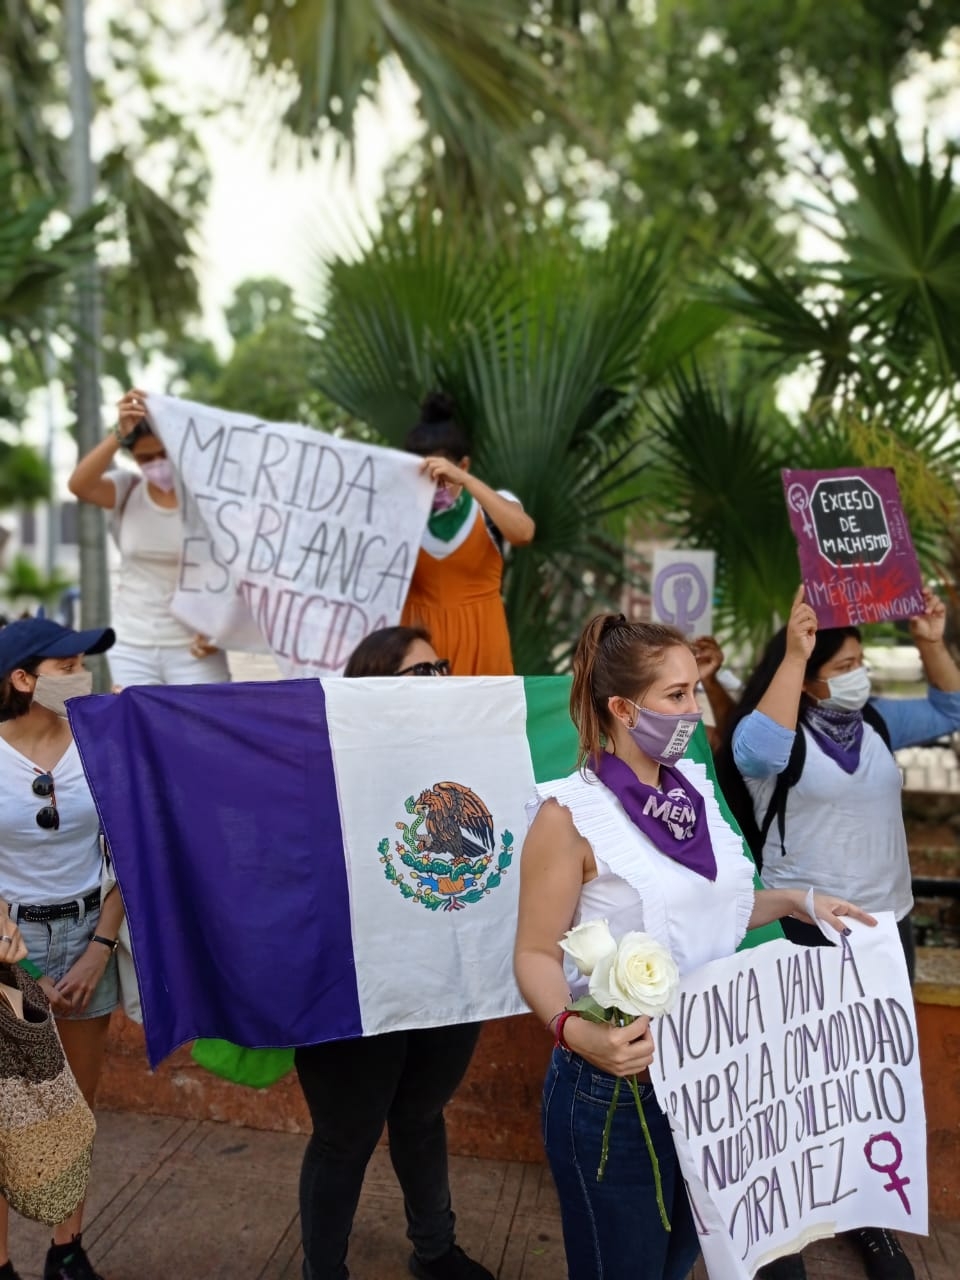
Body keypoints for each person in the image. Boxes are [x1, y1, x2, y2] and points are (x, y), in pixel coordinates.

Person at [513, 613, 875, 1280]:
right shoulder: (569, 817)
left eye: (694, 691)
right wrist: (572, 1029)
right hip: (617, 1095)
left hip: (713, 1084)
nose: (693, 707)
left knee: (681, 1260)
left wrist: (797, 900)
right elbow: (534, 953)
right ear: (623, 708)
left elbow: (716, 919)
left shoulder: (694, 796)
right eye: (675, 695)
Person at [718, 585, 960, 1280]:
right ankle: (784, 1226)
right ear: (815, 671)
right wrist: (796, 652)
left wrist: (931, 641)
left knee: (867, 1079)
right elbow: (756, 752)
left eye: (861, 659)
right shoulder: (773, 731)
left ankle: (868, 1217)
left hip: (885, 929)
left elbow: (952, 707)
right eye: (846, 661)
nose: (861, 673)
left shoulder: (877, 722)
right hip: (806, 928)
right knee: (799, 1080)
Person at [294, 625, 492, 1280]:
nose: (439, 681)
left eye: (443, 668)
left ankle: (435, 1252)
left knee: (420, 1113)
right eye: (420, 673)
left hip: (449, 976)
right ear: (374, 686)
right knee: (345, 1137)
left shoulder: (474, 753)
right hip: (355, 982)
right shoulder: (322, 763)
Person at [0, 618, 125, 1280]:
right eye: (68, 665)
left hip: (86, 936)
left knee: (77, 1106)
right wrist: (18, 969)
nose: (83, 677)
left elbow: (131, 850)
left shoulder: (102, 743)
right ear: (23, 680)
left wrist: (100, 948)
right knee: (5, 1108)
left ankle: (66, 1250)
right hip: (5, 946)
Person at [67, 388, 229, 688]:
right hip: (132, 645)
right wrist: (119, 432)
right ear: (134, 458)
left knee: (201, 732)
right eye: (145, 458)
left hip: (195, 646)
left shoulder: (208, 500)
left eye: (163, 453)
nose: (156, 463)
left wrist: (220, 629)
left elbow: (235, 571)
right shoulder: (126, 490)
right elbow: (79, 485)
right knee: (138, 732)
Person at [401, 392, 534, 676]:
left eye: (441, 474)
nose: (433, 483)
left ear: (462, 465)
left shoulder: (490, 507)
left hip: (483, 650)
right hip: (420, 660)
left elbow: (523, 532)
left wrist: (466, 482)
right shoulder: (401, 517)